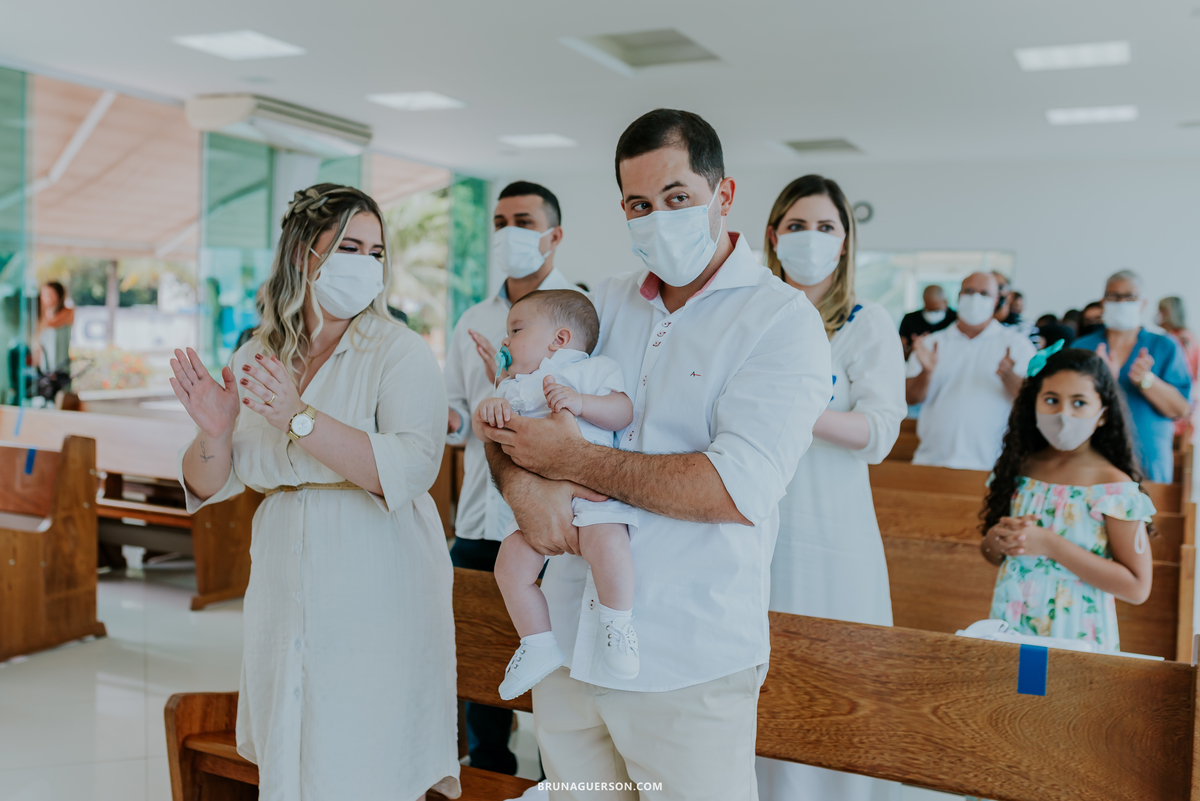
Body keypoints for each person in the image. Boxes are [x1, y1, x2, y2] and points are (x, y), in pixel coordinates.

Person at [481, 109, 831, 800]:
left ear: (723, 196)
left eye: (677, 198)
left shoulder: (781, 322)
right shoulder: (600, 303)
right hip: (573, 647)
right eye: (640, 205)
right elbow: (509, 414)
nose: (658, 218)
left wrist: (572, 462)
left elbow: (729, 490)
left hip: (689, 657)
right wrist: (524, 489)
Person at [170, 184, 459, 800]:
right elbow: (208, 482)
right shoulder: (259, 353)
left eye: (376, 252)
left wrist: (299, 416)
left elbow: (410, 469)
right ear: (305, 252)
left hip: (376, 576)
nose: (367, 263)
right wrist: (214, 432)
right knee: (293, 749)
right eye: (350, 245)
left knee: (362, 752)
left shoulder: (399, 353)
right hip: (283, 577)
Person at [756, 175, 906, 801]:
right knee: (761, 677)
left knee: (831, 678)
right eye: (796, 225)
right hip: (755, 520)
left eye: (825, 228)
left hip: (832, 530)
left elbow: (879, 433)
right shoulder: (751, 316)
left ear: (845, 244)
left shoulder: (867, 325)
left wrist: (799, 412)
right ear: (773, 235)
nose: (809, 239)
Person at [442, 179, 576, 774]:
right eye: (500, 222)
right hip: (479, 518)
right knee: (479, 658)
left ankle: (559, 779)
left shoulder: (580, 317)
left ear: (554, 235)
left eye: (523, 220)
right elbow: (452, 417)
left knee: (558, 673)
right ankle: (488, 772)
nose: (509, 233)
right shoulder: (474, 317)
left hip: (553, 526)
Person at [474, 290, 638, 700]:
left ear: (560, 340)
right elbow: (491, 435)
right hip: (537, 503)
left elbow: (623, 411)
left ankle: (618, 623)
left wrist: (581, 403)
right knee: (509, 568)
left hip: (592, 496)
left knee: (610, 545)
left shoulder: (592, 370)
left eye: (515, 330)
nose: (506, 341)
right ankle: (536, 642)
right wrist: (489, 412)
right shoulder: (512, 387)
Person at [981, 346, 1153, 651]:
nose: (1064, 414)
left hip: (1075, 637)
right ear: (1032, 403)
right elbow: (993, 554)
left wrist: (1050, 544)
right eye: (1051, 400)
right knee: (1013, 698)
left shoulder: (1113, 486)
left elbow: (1137, 587)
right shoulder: (1018, 469)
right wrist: (997, 538)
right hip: (1011, 629)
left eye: (1080, 403)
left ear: (1102, 414)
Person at [905, 272, 1037, 471]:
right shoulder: (932, 344)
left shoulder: (1017, 345)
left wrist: (1008, 376)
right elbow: (910, 398)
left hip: (992, 465)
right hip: (932, 461)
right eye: (969, 291)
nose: (975, 298)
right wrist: (927, 373)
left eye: (984, 293)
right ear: (958, 296)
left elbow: (1032, 401)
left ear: (996, 301)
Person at [1073, 271, 1191, 483]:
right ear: (1103, 301)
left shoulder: (1164, 346)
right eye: (1114, 297)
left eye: (1130, 297)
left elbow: (1180, 409)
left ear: (1143, 303)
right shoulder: (1082, 347)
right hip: (1090, 461)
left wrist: (1146, 380)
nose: (1122, 303)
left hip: (1147, 464)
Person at [1157, 296, 1199, 436]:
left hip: (1175, 408)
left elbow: (1178, 375)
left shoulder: (1179, 340)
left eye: (1161, 310)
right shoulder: (1182, 337)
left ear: (1168, 312)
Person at [36, 281, 74, 400]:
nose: (47, 298)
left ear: (59, 295)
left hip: (61, 369)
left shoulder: (68, 312)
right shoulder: (38, 315)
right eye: (44, 294)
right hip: (43, 371)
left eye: (51, 294)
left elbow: (51, 323)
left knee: (61, 401)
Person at [898, 285, 956, 358]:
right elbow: (899, 354)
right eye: (929, 310)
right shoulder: (910, 319)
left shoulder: (956, 319)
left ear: (945, 302)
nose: (932, 313)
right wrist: (914, 349)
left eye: (936, 310)